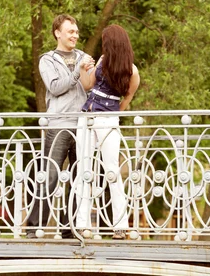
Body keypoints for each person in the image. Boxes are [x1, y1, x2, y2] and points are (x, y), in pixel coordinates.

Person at [26, 14, 94, 238]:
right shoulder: (47, 59)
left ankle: (70, 227)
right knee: (50, 176)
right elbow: (54, 87)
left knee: (78, 177)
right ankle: (35, 227)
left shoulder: (84, 56)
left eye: (76, 31)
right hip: (58, 124)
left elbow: (89, 86)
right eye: (70, 31)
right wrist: (77, 71)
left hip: (82, 125)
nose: (75, 35)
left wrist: (92, 70)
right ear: (58, 33)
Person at [75, 24, 140, 239]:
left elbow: (127, 99)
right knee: (84, 169)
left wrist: (113, 116)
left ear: (112, 42)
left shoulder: (132, 71)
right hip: (87, 116)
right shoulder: (102, 60)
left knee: (112, 170)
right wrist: (83, 70)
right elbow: (87, 85)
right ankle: (82, 224)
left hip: (108, 120)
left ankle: (120, 225)